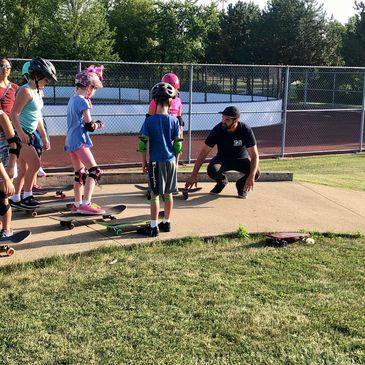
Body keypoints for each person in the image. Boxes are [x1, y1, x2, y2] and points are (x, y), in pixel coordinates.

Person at [9, 57, 56, 209]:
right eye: (46, 79)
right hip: (21, 135)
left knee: (24, 169)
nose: (47, 82)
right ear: (36, 76)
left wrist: (44, 136)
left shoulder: (37, 91)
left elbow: (38, 116)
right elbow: (14, 114)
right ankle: (27, 196)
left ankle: (15, 198)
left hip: (30, 133)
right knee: (35, 165)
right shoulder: (25, 91)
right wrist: (20, 133)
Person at [185, 106, 260, 199]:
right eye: (223, 118)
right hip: (222, 159)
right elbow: (203, 153)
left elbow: (255, 155)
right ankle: (222, 182)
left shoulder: (245, 130)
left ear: (236, 120)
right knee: (212, 170)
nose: (223, 121)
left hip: (241, 159)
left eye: (227, 119)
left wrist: (251, 176)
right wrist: (193, 175)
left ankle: (241, 186)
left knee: (255, 173)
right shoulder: (218, 129)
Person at [137, 82, 181, 237]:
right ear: (170, 101)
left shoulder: (149, 121)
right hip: (170, 162)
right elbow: (178, 146)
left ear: (154, 101)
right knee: (168, 194)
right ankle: (167, 223)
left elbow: (142, 144)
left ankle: (153, 227)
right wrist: (176, 162)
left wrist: (143, 163)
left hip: (155, 161)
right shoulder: (174, 121)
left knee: (155, 194)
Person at [65, 65, 106, 215]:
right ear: (89, 87)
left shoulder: (72, 99)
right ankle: (86, 204)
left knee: (79, 173)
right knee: (95, 171)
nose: (94, 92)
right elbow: (89, 126)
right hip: (79, 140)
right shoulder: (83, 101)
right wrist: (98, 124)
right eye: (94, 89)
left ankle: (77, 203)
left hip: (70, 140)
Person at [147, 73, 184, 164]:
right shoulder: (155, 101)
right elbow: (150, 117)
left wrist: (181, 132)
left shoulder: (178, 101)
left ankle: (176, 163)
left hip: (172, 127)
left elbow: (179, 118)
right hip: (160, 129)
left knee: (176, 147)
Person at [0, 110, 21, 237]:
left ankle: (6, 231)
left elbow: (15, 143)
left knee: (2, 198)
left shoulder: (1, 116)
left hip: (6, 162)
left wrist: (11, 169)